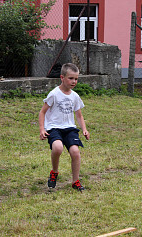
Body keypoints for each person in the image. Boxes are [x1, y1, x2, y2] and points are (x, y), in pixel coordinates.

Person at [39, 63, 90, 192]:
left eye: (76, 79)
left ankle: (75, 181)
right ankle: (54, 172)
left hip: (70, 128)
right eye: (71, 78)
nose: (74, 81)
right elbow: (42, 112)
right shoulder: (54, 94)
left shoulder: (75, 96)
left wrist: (84, 129)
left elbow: (78, 115)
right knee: (57, 148)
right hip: (54, 128)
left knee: (75, 152)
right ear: (62, 77)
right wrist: (42, 129)